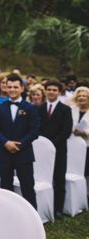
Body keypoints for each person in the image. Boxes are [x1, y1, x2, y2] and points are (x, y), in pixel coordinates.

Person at [0, 73, 40, 210]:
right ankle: (7, 214)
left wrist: (19, 144)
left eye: (15, 87)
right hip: (4, 153)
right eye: (9, 87)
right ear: (6, 88)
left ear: (21, 88)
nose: (12, 89)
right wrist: (6, 142)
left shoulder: (30, 108)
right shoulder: (1, 108)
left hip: (24, 154)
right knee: (5, 187)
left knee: (27, 187)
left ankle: (32, 220)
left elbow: (34, 131)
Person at [38, 80, 73, 220]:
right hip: (41, 151)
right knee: (42, 178)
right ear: (45, 91)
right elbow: (37, 127)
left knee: (58, 179)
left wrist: (51, 145)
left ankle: (58, 209)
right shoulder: (39, 108)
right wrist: (42, 145)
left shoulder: (65, 110)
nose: (51, 92)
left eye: (54, 90)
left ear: (59, 92)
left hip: (58, 149)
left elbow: (66, 131)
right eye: (49, 89)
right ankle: (42, 206)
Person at [70, 86, 89, 177]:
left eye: (84, 96)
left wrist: (85, 132)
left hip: (87, 144)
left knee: (86, 170)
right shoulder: (72, 109)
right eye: (79, 96)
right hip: (73, 143)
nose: (81, 98)